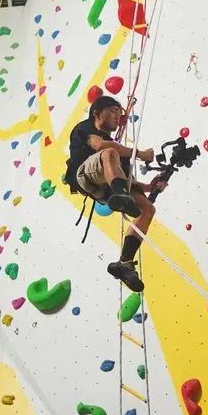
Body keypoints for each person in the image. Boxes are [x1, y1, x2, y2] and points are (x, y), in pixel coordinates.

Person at [65, 96, 167, 292]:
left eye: (120, 113)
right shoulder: (85, 128)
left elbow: (122, 177)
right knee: (110, 152)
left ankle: (125, 263)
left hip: (109, 188)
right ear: (97, 113)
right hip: (86, 175)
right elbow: (101, 147)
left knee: (148, 209)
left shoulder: (115, 150)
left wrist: (149, 187)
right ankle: (123, 196)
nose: (117, 116)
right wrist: (141, 154)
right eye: (113, 111)